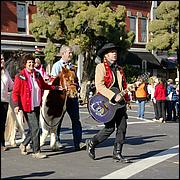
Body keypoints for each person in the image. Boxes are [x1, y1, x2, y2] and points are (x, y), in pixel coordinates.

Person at [85, 43, 132, 163]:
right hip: (106, 101)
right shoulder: (100, 67)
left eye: (115, 51)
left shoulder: (119, 69)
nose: (114, 53)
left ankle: (117, 153)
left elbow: (122, 86)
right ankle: (92, 142)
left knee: (122, 127)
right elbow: (99, 86)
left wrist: (127, 96)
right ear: (106, 55)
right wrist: (112, 96)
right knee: (109, 128)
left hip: (120, 102)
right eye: (111, 52)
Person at [11, 53, 63, 159]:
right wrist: (16, 105)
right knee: (35, 128)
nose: (31, 64)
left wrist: (54, 87)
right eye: (29, 62)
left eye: (32, 62)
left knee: (33, 128)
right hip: (27, 106)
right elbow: (15, 92)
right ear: (25, 64)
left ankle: (24, 144)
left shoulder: (37, 75)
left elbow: (44, 86)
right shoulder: (20, 76)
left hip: (36, 105)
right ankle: (36, 151)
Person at [51, 45, 86, 151]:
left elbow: (76, 81)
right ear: (63, 54)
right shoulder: (57, 66)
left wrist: (77, 87)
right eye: (69, 52)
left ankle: (78, 142)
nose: (71, 54)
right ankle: (56, 141)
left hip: (72, 98)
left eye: (71, 52)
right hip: (61, 98)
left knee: (76, 120)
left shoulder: (73, 67)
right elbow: (53, 82)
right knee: (58, 120)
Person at [1, 53, 14, 151]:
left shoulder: (6, 72)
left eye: (2, 59)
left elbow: (11, 85)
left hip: (4, 101)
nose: (2, 61)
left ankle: (2, 143)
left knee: (2, 123)